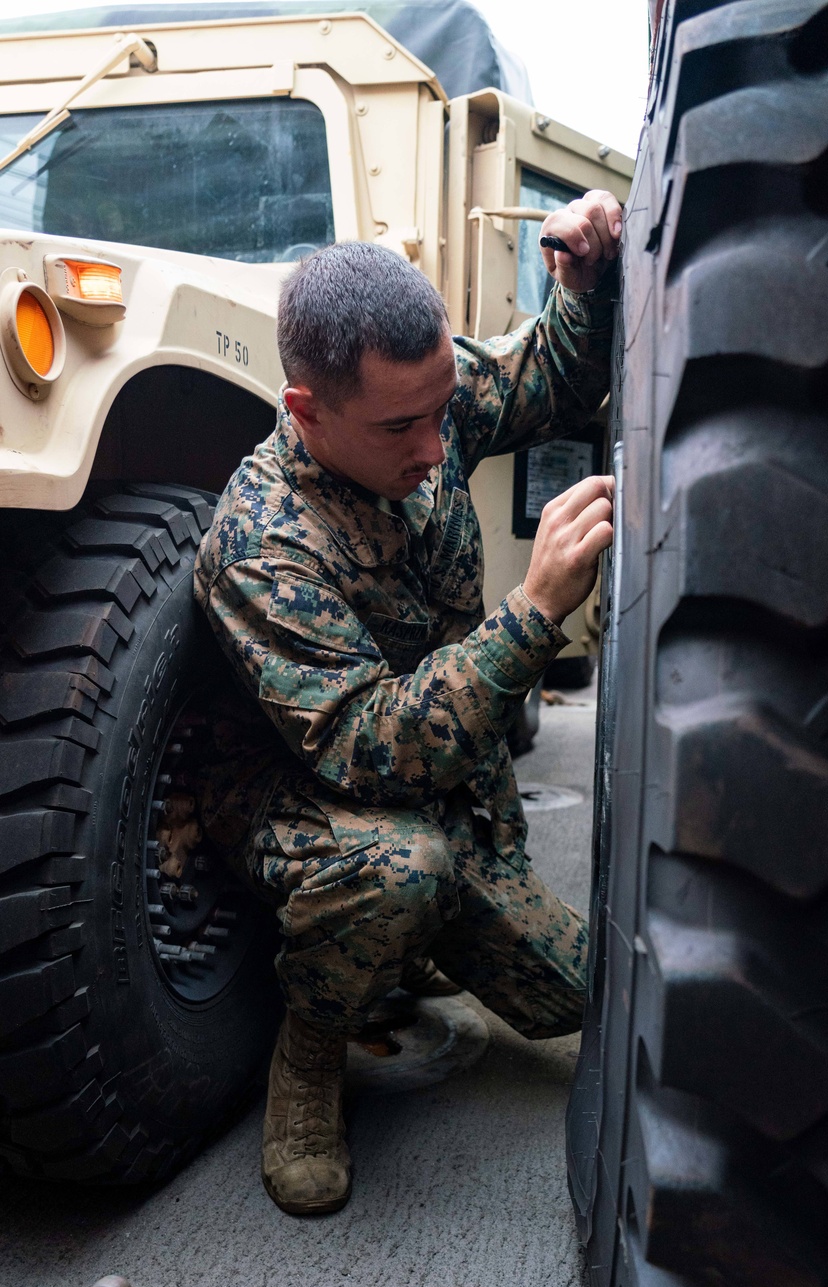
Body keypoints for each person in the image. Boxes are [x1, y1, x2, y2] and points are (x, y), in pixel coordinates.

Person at [194, 190, 620, 1215]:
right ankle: (309, 1053)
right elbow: (371, 747)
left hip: (447, 782)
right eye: (402, 426)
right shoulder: (264, 540)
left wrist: (580, 283)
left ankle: (414, 939)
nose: (436, 449)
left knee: (579, 995)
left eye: (441, 409)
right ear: (308, 409)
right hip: (307, 801)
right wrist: (532, 613)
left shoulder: (418, 401)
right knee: (400, 870)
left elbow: (547, 379)